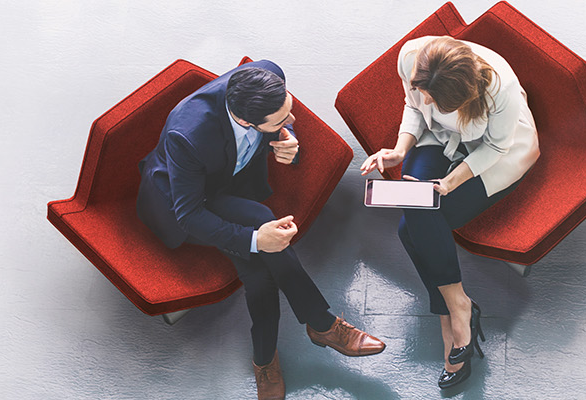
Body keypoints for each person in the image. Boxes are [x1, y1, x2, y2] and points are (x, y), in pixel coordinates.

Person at [138, 59, 385, 400]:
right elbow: (190, 215)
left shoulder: (268, 74)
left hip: (233, 183)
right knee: (260, 221)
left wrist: (289, 139)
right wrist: (256, 240)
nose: (293, 119)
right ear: (244, 120)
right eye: (282, 120)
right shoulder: (189, 136)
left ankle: (266, 360)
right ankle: (320, 324)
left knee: (257, 273)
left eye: (289, 110)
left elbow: (287, 124)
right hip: (187, 201)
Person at [359, 36, 540, 388]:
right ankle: (458, 308)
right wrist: (399, 150)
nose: (425, 98)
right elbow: (414, 107)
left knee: (411, 229)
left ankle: (450, 313)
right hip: (438, 138)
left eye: (433, 97)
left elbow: (496, 147)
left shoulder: (500, 89)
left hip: (494, 154)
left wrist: (452, 181)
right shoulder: (412, 58)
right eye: (424, 90)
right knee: (416, 214)